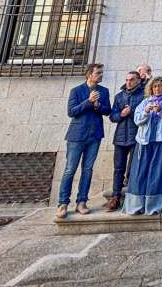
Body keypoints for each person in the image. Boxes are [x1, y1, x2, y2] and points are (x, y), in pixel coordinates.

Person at [56, 63, 111, 220]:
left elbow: (107, 110)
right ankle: (63, 203)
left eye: (101, 72)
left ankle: (82, 202)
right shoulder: (77, 91)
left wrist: (98, 105)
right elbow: (71, 112)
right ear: (90, 75)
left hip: (94, 135)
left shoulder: (104, 91)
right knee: (70, 169)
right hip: (76, 135)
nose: (101, 75)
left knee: (87, 169)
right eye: (98, 73)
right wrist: (87, 102)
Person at [124, 77, 162, 216]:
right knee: (139, 172)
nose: (157, 89)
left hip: (161, 140)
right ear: (151, 88)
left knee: (157, 172)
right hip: (144, 141)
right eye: (154, 87)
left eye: (160, 86)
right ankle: (136, 205)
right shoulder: (145, 102)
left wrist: (161, 111)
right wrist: (146, 111)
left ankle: (153, 206)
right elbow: (137, 120)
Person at [106, 65, 150, 211]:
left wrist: (130, 113)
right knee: (118, 168)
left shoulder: (144, 94)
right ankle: (115, 196)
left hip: (136, 135)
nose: (129, 82)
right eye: (127, 80)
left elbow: (145, 114)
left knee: (133, 168)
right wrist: (122, 114)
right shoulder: (119, 96)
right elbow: (113, 116)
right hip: (120, 136)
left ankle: (132, 197)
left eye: (132, 80)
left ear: (138, 80)